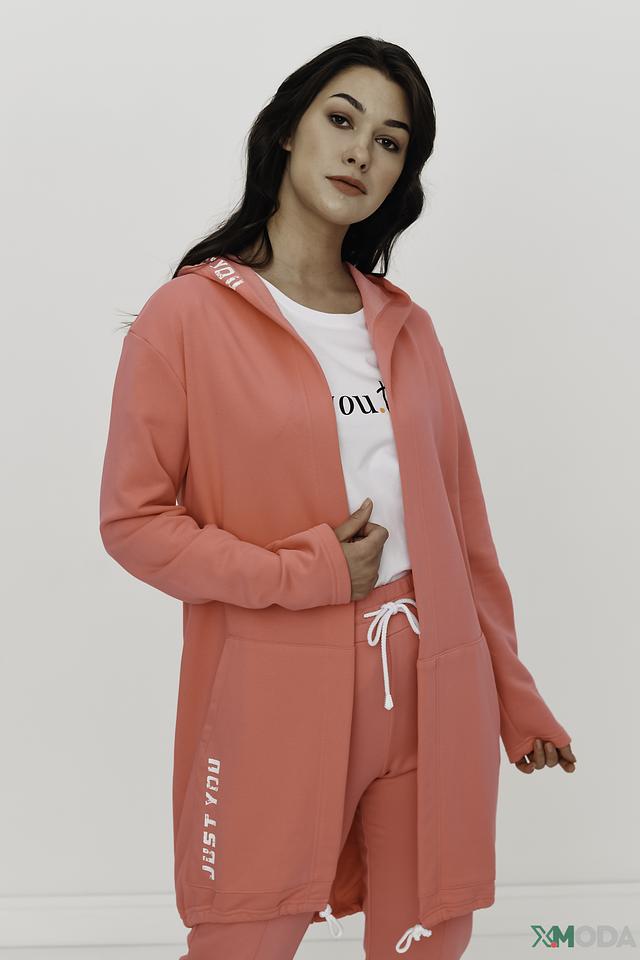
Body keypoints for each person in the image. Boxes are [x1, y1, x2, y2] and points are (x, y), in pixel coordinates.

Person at [99, 36, 576, 960]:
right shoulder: (187, 317)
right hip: (276, 687)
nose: (361, 152)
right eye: (342, 119)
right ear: (288, 130)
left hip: (434, 684)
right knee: (245, 936)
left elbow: (465, 537)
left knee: (428, 940)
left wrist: (514, 698)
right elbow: (134, 524)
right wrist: (307, 571)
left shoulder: (406, 327)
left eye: (390, 142)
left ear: (401, 175)